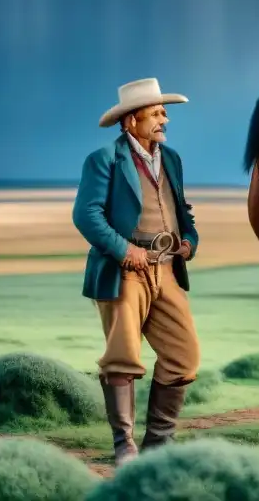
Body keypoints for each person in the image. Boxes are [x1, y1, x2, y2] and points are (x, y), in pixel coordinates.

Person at [72, 77, 201, 466]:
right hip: (123, 270)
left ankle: (158, 442)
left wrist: (190, 241)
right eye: (157, 112)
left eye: (165, 112)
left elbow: (184, 212)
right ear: (131, 120)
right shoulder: (104, 159)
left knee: (184, 356)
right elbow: (86, 215)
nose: (164, 119)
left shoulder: (172, 159)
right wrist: (124, 250)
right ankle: (124, 445)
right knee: (123, 355)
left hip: (167, 269)